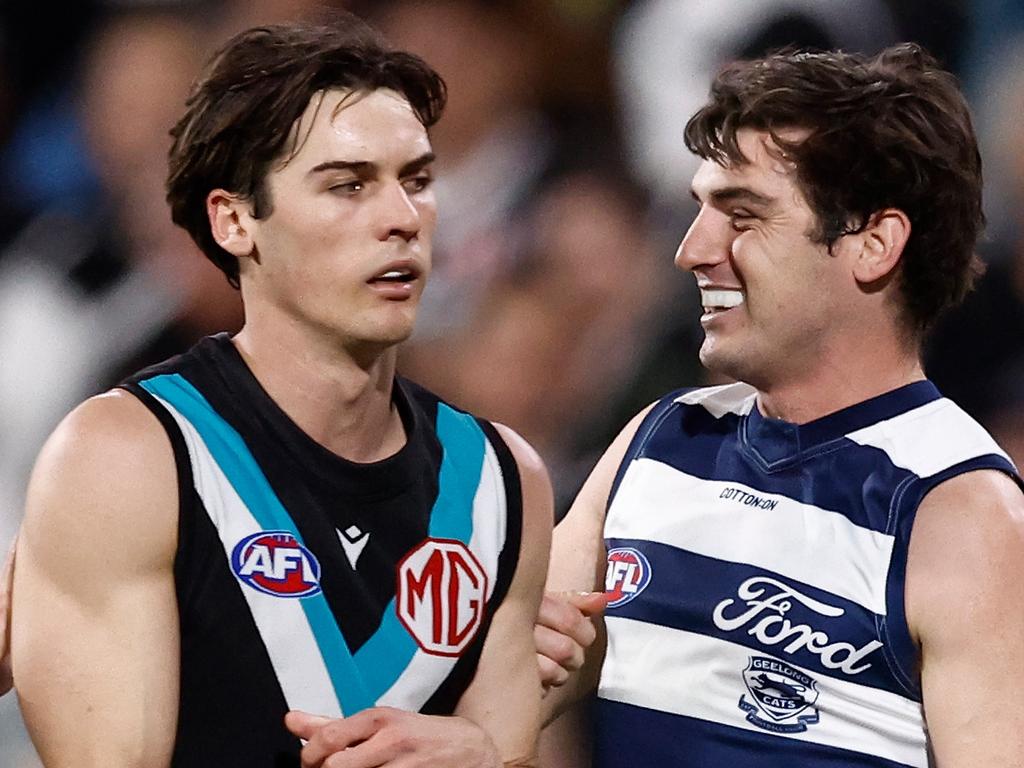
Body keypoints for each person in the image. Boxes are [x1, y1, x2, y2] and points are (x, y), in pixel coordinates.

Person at [8, 18, 551, 767]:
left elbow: (512, 752)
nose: (402, 219)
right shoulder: (129, 457)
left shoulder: (504, 481)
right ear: (234, 220)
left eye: (418, 180)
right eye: (348, 185)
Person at [539, 44, 1024, 766]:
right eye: (700, 208)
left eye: (743, 215)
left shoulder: (958, 513)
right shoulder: (660, 439)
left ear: (874, 244)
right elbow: (513, 689)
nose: (693, 251)